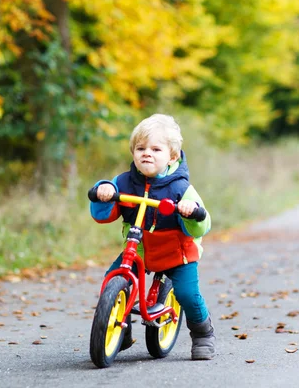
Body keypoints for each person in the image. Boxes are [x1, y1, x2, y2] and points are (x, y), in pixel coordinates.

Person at [89, 114, 216, 360]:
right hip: (139, 250)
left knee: (187, 294)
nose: (147, 153)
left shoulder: (181, 188)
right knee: (112, 279)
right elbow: (105, 213)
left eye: (156, 149)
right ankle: (120, 327)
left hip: (176, 253)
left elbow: (203, 223)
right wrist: (104, 191)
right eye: (140, 148)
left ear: (172, 156)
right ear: (133, 153)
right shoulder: (124, 182)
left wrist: (192, 213)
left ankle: (203, 332)